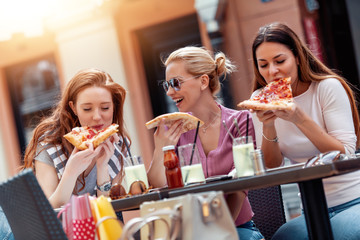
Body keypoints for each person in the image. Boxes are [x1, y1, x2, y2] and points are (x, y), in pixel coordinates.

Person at [249, 22, 360, 239]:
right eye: (263, 65)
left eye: (280, 61)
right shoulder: (259, 100)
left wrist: (300, 119)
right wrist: (269, 126)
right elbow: (272, 165)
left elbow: (345, 153)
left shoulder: (327, 88)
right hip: (311, 208)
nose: (272, 71)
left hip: (353, 199)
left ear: (298, 57)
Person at [146, 46, 264, 239]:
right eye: (166, 85)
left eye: (176, 83)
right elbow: (160, 185)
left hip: (237, 230)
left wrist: (217, 234)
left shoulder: (240, 121)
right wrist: (161, 148)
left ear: (203, 81)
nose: (169, 92)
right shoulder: (174, 129)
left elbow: (240, 184)